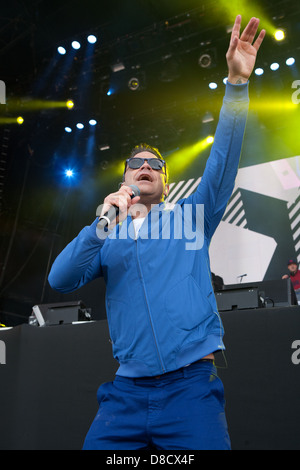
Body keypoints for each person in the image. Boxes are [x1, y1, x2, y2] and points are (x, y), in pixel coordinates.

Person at [48, 15, 265, 450]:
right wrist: (101, 224)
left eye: (155, 165)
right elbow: (60, 279)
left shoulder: (191, 217)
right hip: (125, 393)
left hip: (190, 388)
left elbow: (221, 162)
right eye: (136, 163)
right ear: (125, 177)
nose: (145, 166)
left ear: (164, 182)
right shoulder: (106, 231)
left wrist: (236, 86)